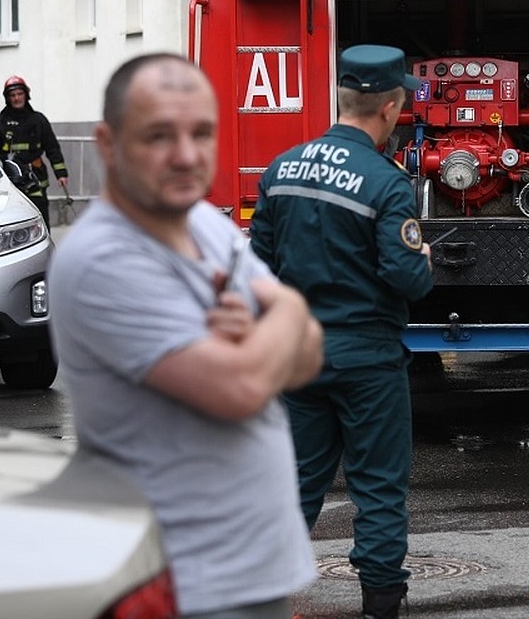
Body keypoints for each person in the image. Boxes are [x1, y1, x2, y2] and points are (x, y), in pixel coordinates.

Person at [49, 53, 324, 618]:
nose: (186, 155)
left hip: (250, 572)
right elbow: (242, 388)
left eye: (202, 133)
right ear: (108, 143)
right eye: (158, 136)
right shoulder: (103, 259)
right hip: (180, 585)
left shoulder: (204, 222)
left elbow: (310, 356)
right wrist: (290, 308)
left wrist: (272, 336)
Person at [251, 44, 434, 619]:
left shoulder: (281, 170)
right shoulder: (386, 183)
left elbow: (257, 269)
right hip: (367, 360)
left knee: (295, 485)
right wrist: (423, 258)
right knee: (378, 488)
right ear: (390, 109)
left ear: (342, 100)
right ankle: (380, 606)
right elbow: (407, 278)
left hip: (297, 354)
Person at [0, 75, 69, 228]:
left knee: (40, 218)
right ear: (8, 98)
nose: (17, 98)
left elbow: (52, 147)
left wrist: (61, 173)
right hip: (10, 182)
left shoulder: (38, 120)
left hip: (36, 179)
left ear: (26, 95)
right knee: (10, 221)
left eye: (20, 94)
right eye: (13, 95)